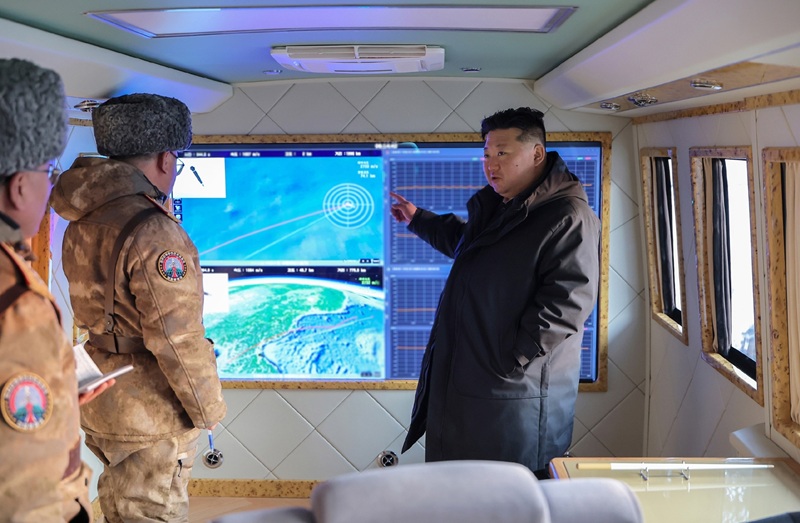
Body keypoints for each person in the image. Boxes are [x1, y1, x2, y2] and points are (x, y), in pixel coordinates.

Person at [391, 107, 600, 479]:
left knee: (509, 495)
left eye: (502, 153)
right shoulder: (506, 206)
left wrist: (509, 360)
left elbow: (568, 301)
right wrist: (419, 219)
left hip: (513, 393)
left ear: (537, 154)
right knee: (463, 490)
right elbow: (471, 247)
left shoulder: (567, 216)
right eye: (487, 154)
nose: (491, 164)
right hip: (478, 385)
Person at [51, 93, 227, 521]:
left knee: (117, 506)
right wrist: (207, 408)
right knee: (150, 513)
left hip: (101, 392)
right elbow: (176, 335)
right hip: (149, 407)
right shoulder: (154, 230)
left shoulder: (83, 215)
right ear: (166, 159)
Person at [0, 58, 112, 522]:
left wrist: (58, 392)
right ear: (19, 188)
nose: (51, 185)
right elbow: (28, 486)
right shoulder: (17, 302)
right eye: (49, 170)